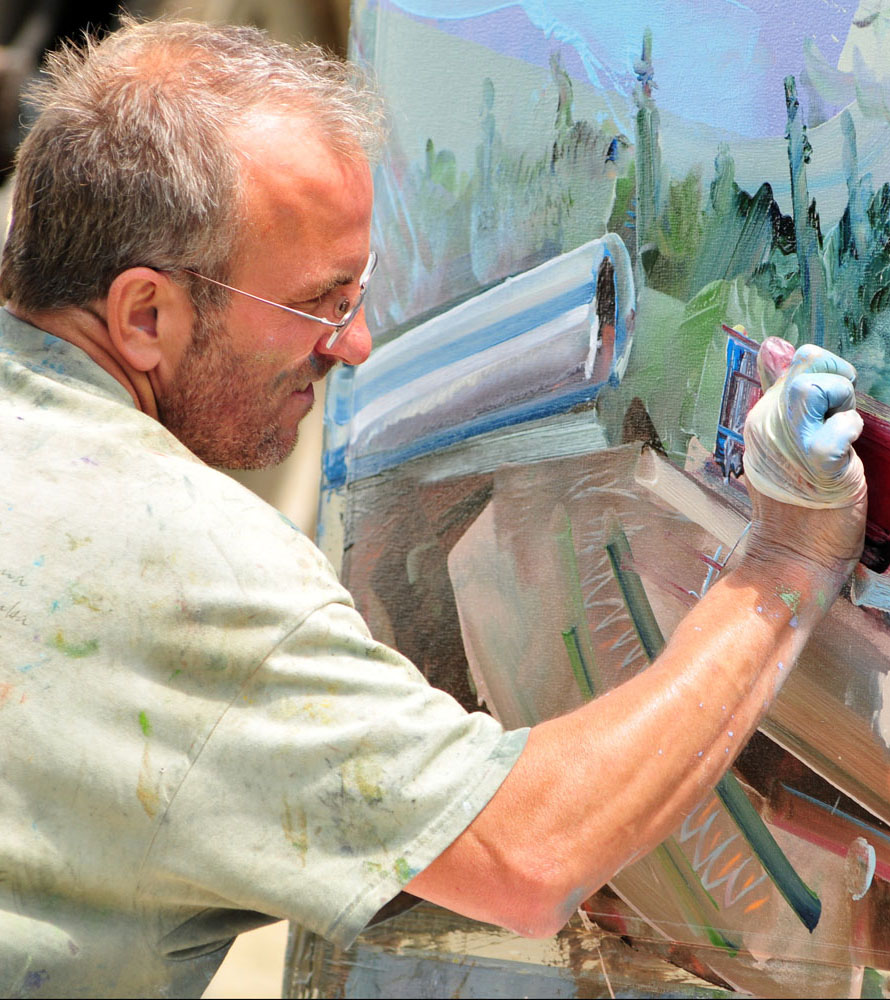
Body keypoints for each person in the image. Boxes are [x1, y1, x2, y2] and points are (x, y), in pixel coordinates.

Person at [0, 17, 867, 999]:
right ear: (144, 316)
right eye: (319, 302)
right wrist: (785, 564)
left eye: (361, 289)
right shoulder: (185, 567)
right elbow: (526, 854)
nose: (357, 344)